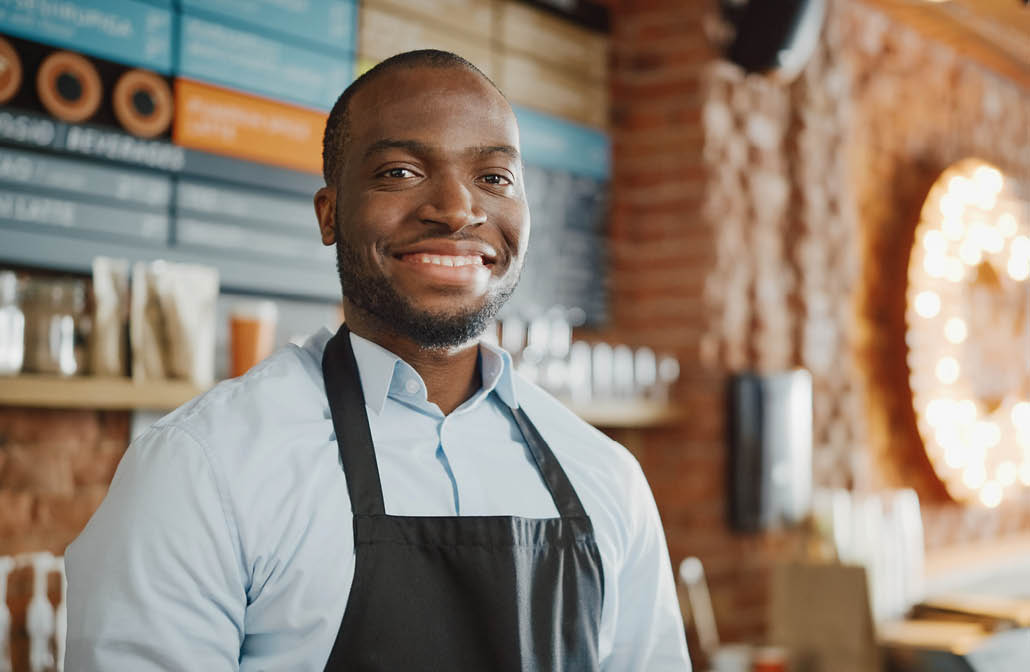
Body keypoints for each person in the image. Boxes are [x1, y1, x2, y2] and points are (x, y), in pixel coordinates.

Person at [65, 50, 691, 671]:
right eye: (400, 171)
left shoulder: (609, 479)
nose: (456, 208)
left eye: (493, 178)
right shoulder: (203, 466)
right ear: (330, 213)